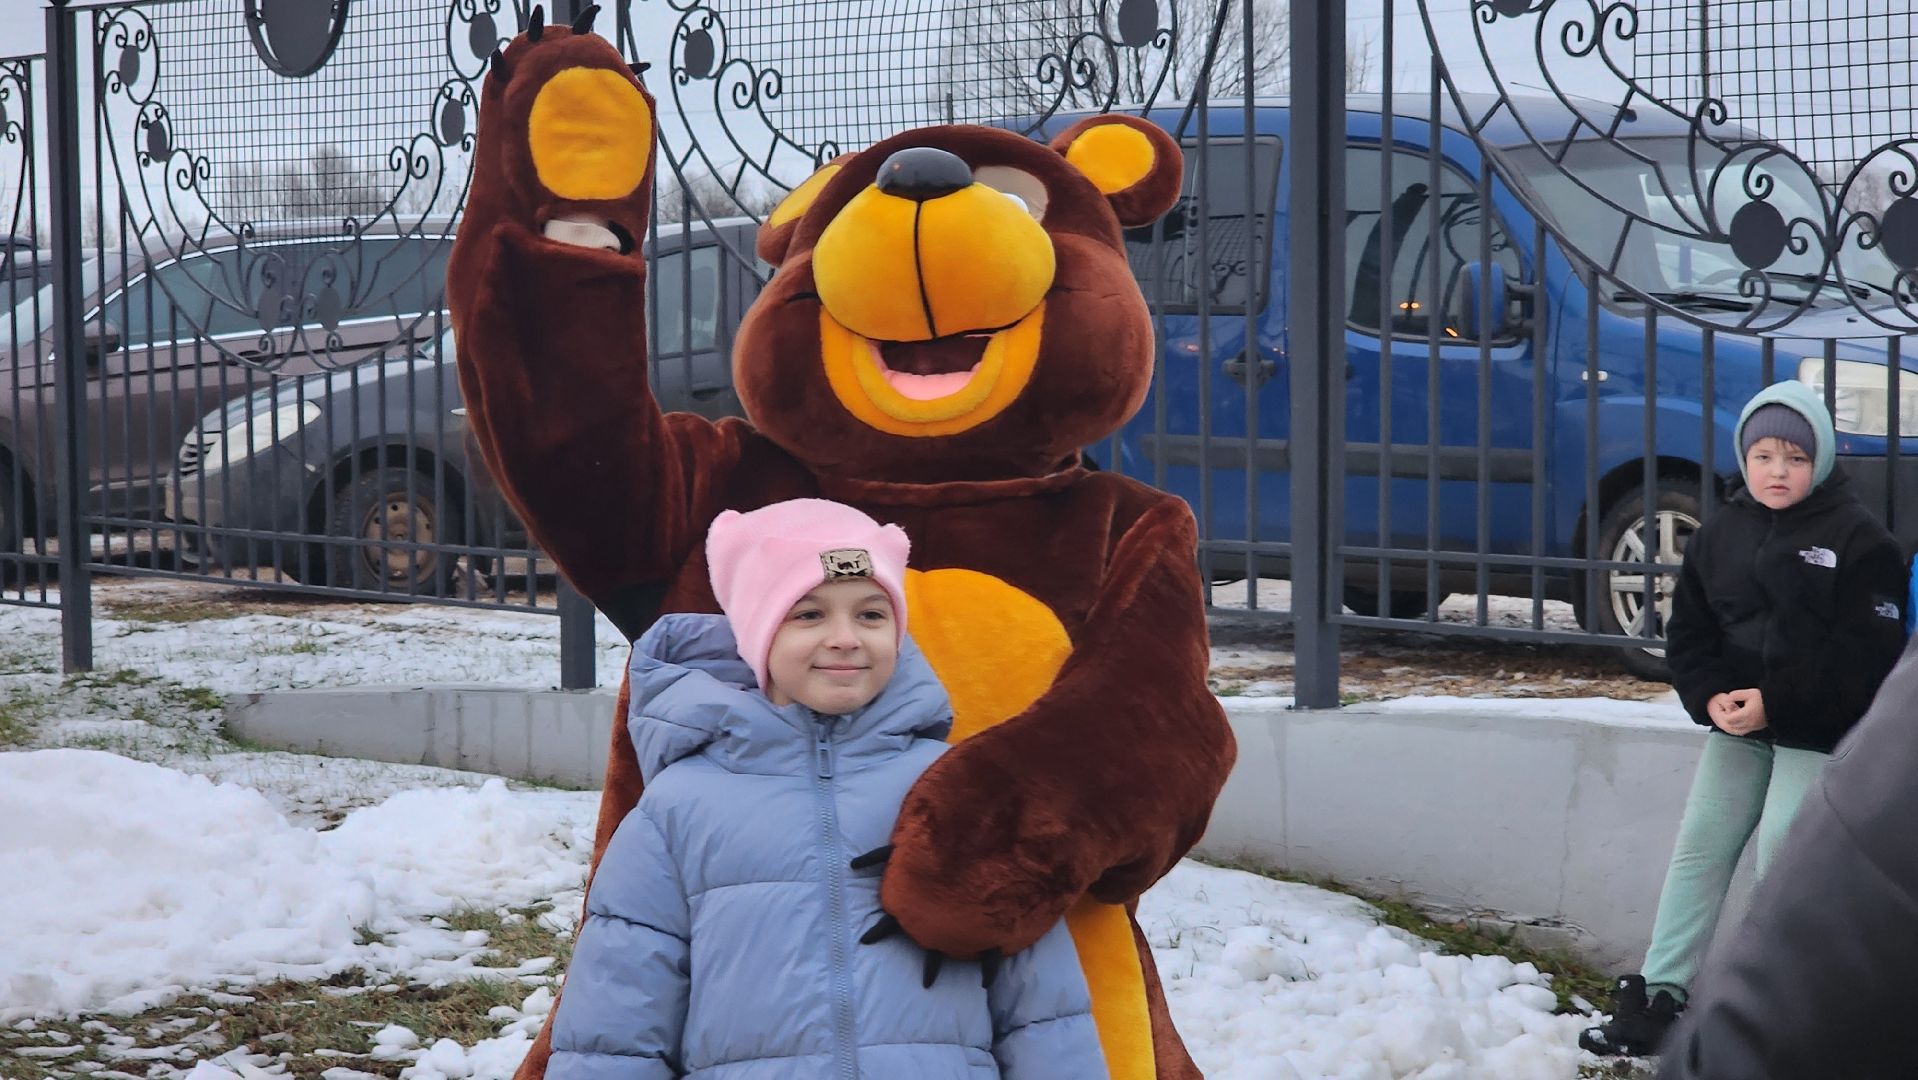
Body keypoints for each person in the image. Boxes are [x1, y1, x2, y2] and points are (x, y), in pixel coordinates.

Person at [545, 498, 1108, 1080]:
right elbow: (616, 1022)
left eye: (870, 615)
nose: (845, 638)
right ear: (757, 635)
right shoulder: (676, 809)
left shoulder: (957, 791)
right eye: (809, 615)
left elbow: (1043, 1010)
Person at [1579, 381, 1909, 1058]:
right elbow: (1690, 634)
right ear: (1744, 457)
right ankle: (1660, 995)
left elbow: (1864, 657)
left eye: (1793, 456)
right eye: (1764, 456)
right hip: (1741, 726)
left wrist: (1777, 700)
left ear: (1817, 460)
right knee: (1701, 844)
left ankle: (1778, 1015)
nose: (1777, 471)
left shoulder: (1859, 539)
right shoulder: (1720, 532)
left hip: (1816, 730)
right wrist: (1712, 697)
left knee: (1784, 855)